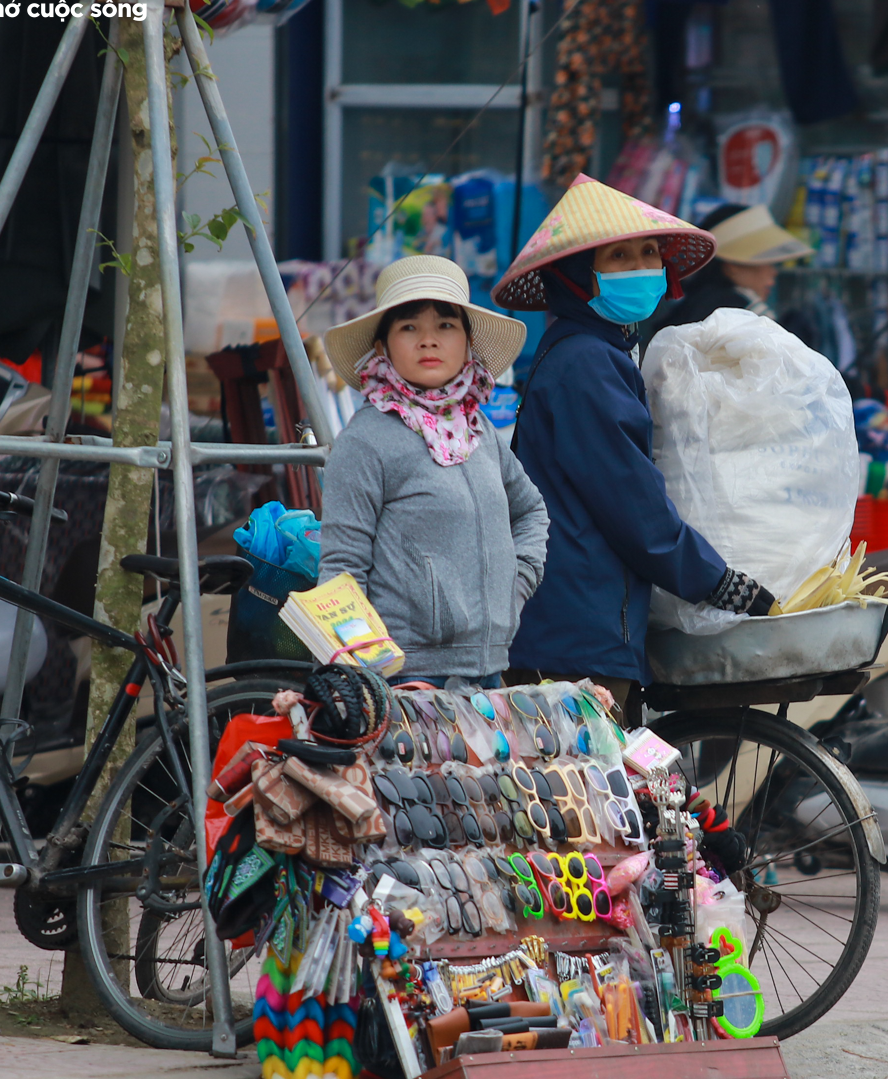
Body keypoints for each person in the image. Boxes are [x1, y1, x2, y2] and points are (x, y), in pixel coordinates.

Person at [490, 175, 778, 718]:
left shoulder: (601, 353)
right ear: (577, 277)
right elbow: (632, 504)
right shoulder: (587, 364)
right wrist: (718, 582)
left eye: (649, 253)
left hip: (587, 621)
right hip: (572, 632)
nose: (642, 267)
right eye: (619, 257)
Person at [318, 255, 548, 688]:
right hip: (409, 679)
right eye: (409, 327)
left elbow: (531, 512)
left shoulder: (479, 430)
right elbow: (342, 570)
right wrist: (359, 682)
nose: (428, 341)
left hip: (490, 673)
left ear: (467, 341)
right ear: (382, 346)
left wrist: (512, 590)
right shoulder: (365, 441)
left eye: (445, 325)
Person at [641, 202, 811, 350]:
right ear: (733, 265)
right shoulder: (746, 312)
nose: (773, 271)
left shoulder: (693, 304)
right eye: (766, 261)